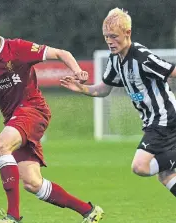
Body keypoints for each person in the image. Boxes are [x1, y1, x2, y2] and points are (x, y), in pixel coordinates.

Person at [0, 5, 104, 223]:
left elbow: (61, 53)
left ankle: (13, 219)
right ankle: (89, 211)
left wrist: (78, 71)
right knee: (32, 183)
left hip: (33, 109)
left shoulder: (17, 48)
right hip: (15, 119)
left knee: (0, 145)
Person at [61, 8, 176, 197]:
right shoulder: (115, 60)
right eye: (106, 36)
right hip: (151, 123)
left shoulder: (142, 57)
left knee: (140, 166)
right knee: (166, 175)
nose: (109, 41)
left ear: (127, 33)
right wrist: (81, 89)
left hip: (164, 120)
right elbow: (103, 89)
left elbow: (172, 71)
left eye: (114, 36)